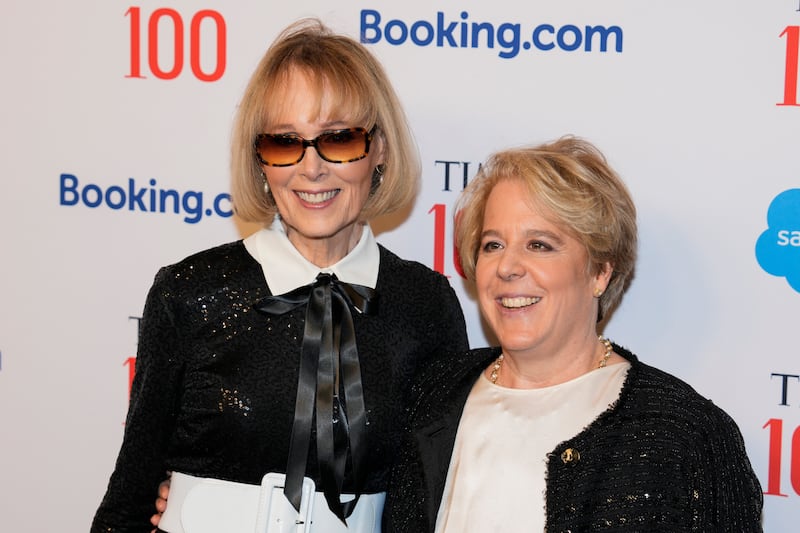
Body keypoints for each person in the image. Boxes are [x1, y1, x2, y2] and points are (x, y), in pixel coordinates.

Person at [91, 18, 468, 533]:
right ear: (260, 161)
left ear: (378, 149)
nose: (311, 168)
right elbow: (130, 499)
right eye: (285, 142)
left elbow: (436, 500)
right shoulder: (191, 292)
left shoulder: (425, 304)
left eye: (338, 138)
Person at [382, 137, 763, 532]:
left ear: (600, 272)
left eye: (539, 245)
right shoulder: (434, 395)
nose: (508, 267)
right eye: (493, 244)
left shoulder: (685, 435)